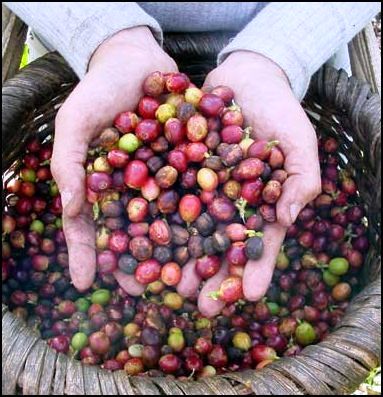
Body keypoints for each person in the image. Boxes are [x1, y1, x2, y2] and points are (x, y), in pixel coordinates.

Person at [5, 2, 380, 317]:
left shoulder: (212, 161)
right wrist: (104, 33)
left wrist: (280, 51)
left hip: (301, 36)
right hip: (79, 34)